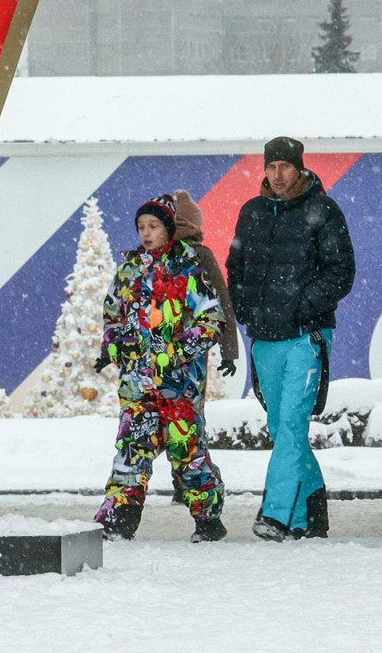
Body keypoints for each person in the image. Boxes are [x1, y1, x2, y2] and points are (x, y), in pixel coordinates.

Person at [226, 136, 354, 541]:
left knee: (293, 425)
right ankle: (310, 513)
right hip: (264, 337)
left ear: (299, 167)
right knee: (282, 429)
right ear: (263, 169)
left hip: (306, 336)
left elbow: (341, 272)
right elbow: (235, 267)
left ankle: (277, 515)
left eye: (285, 166)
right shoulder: (252, 212)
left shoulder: (323, 210)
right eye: (271, 167)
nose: (277, 175)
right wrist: (244, 308)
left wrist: (300, 306)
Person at [93, 194, 227, 543]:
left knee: (187, 450)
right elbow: (113, 315)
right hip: (138, 383)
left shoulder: (189, 268)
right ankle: (119, 516)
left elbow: (212, 320)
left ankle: (207, 515)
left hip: (178, 383)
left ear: (169, 229)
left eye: (153, 226)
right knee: (133, 445)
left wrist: (178, 351)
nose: (146, 233)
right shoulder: (128, 271)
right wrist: (116, 343)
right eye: (141, 227)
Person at [167, 190, 240, 503]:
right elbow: (223, 302)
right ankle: (194, 481)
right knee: (191, 416)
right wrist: (229, 349)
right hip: (194, 351)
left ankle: (183, 479)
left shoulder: (158, 253)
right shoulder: (201, 253)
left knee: (166, 415)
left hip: (159, 351)